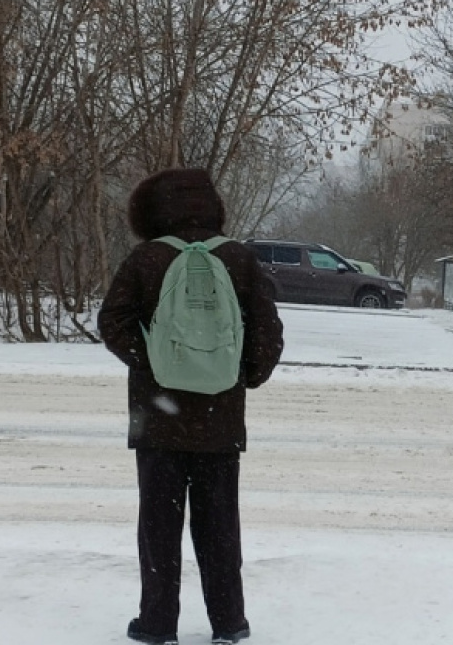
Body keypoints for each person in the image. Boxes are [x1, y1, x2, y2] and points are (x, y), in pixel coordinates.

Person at [98, 168, 284, 645]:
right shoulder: (239, 259)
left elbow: (112, 321)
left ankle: (157, 624)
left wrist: (154, 364)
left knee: (159, 529)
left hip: (158, 419)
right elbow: (267, 331)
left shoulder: (146, 258)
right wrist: (244, 376)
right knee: (220, 526)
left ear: (155, 209)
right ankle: (229, 622)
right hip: (220, 421)